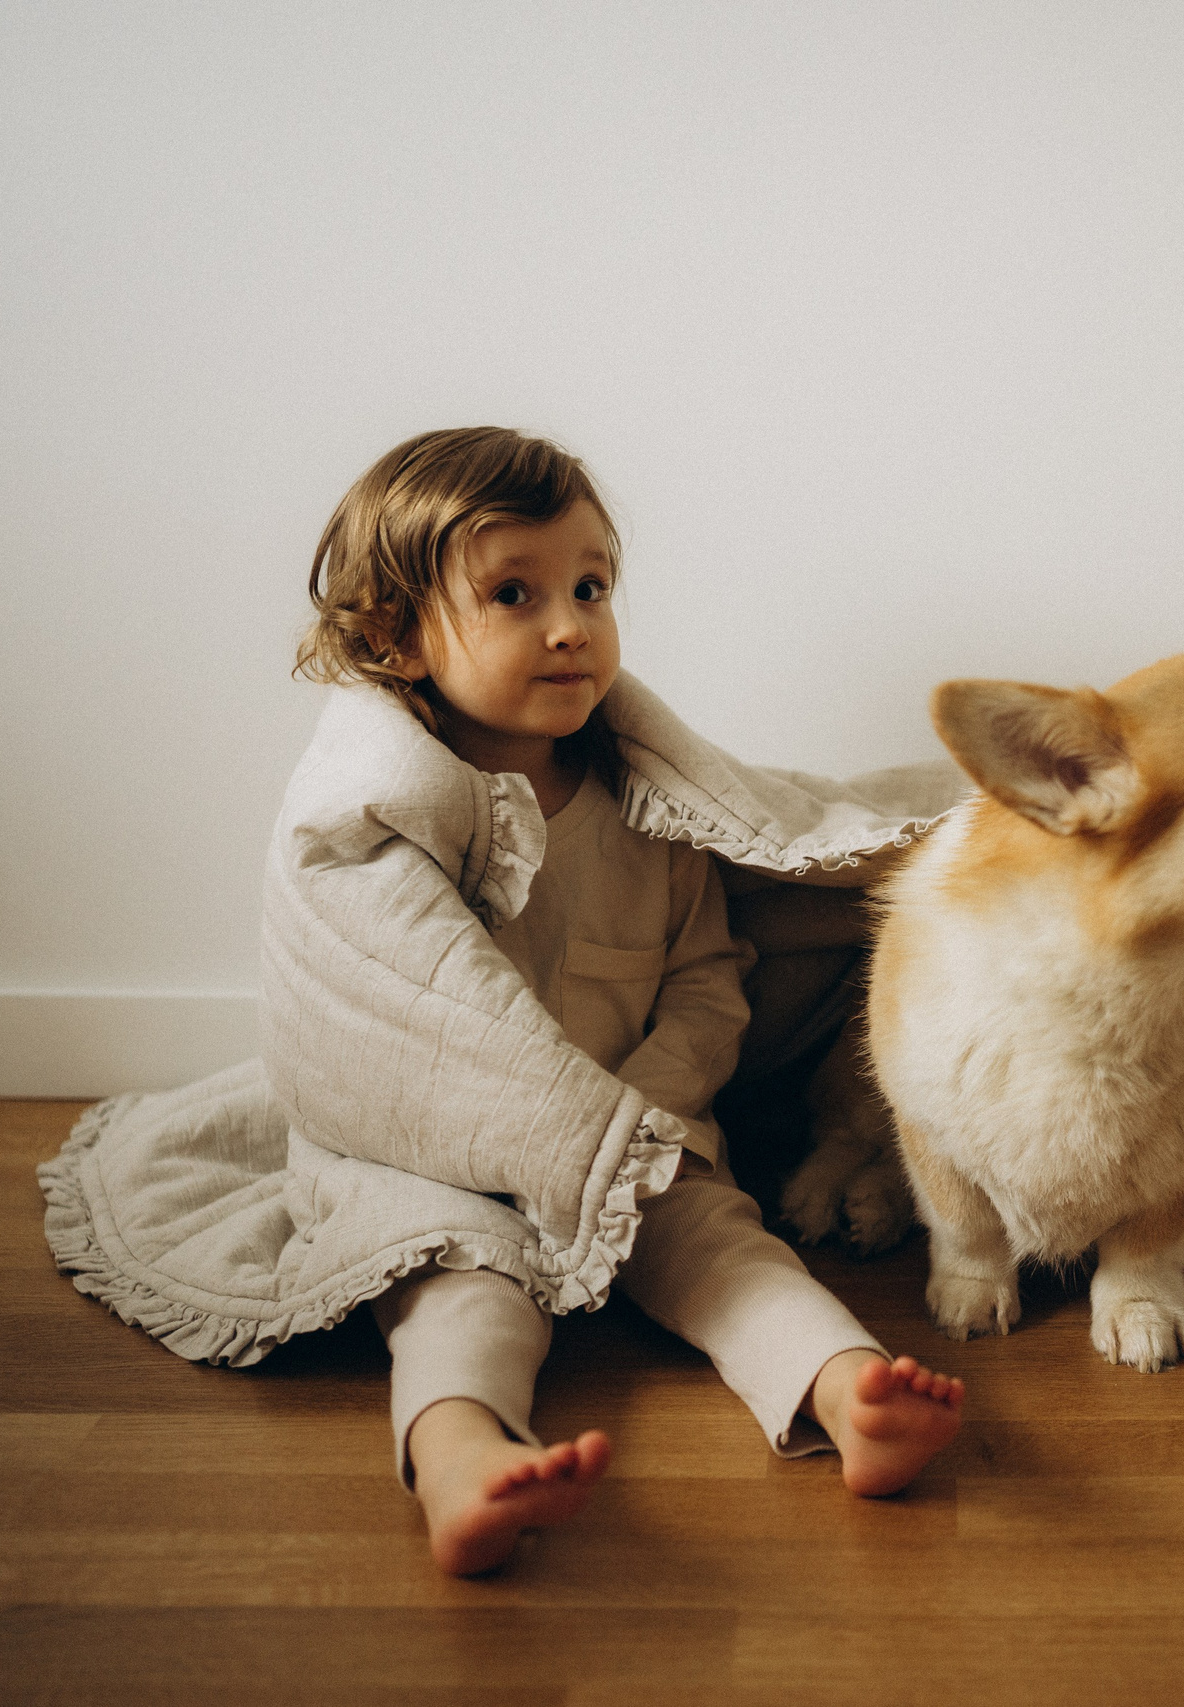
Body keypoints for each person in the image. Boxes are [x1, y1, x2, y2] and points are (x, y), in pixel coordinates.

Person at [290, 426, 964, 1574]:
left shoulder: (648, 805)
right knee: (461, 1291)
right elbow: (384, 998)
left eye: (592, 585)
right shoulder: (399, 817)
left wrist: (646, 1112)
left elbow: (708, 979)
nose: (570, 624)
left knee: (723, 1245)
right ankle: (462, 1462)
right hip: (434, 1161)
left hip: (633, 1125)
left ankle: (848, 1393)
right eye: (514, 593)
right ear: (396, 637)